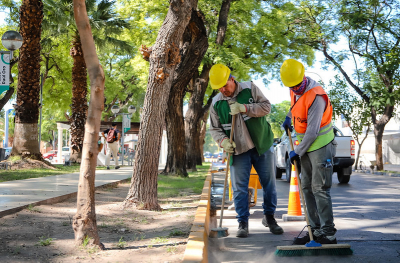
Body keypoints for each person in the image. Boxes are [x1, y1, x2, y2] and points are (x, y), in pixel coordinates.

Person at [209, 63, 283, 238]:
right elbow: (215, 129)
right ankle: (243, 223)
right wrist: (223, 141)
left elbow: (266, 107)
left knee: (269, 184)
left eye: (225, 85)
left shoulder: (250, 88)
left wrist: (245, 108)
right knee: (239, 188)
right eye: (218, 87)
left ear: (232, 79)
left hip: (261, 145)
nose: (222, 89)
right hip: (238, 149)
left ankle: (270, 218)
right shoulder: (216, 103)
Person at [280, 59, 337, 245]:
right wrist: (289, 117)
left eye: (296, 86)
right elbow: (296, 106)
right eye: (291, 87)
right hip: (306, 145)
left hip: (320, 144)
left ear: (303, 77)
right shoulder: (294, 86)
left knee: (319, 188)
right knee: (306, 187)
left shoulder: (317, 96)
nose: (294, 89)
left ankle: (328, 233)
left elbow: (312, 132)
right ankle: (314, 231)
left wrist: (297, 151)